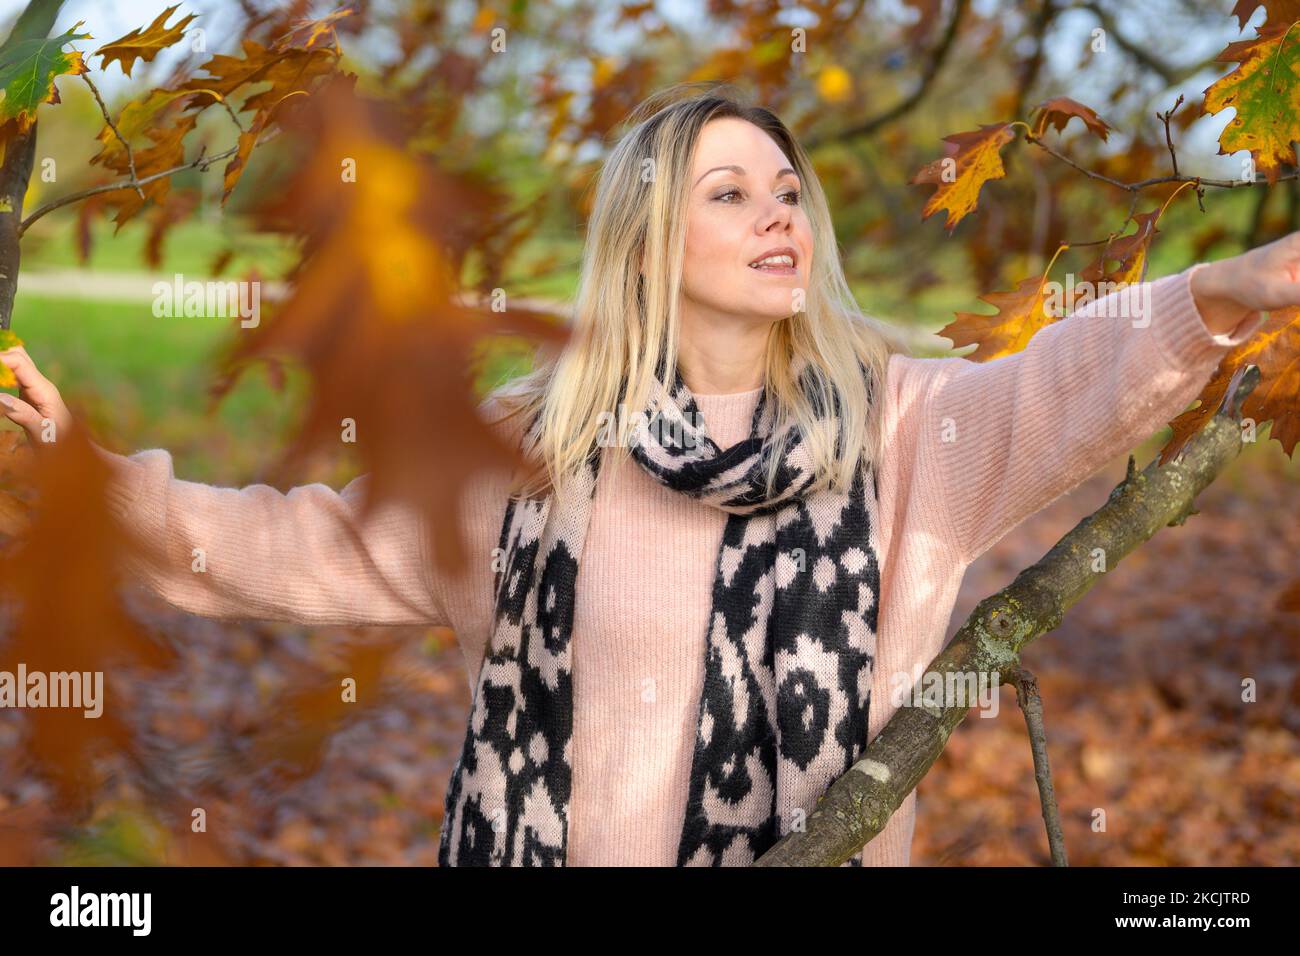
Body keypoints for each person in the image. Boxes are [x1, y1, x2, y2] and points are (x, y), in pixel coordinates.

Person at [1, 84, 1293, 866]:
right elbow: (307, 545)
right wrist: (88, 480)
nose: (779, 213)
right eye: (730, 192)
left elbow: (1063, 384)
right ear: (648, 236)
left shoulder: (896, 430)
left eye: (788, 189)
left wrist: (1224, 293)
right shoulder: (535, 448)